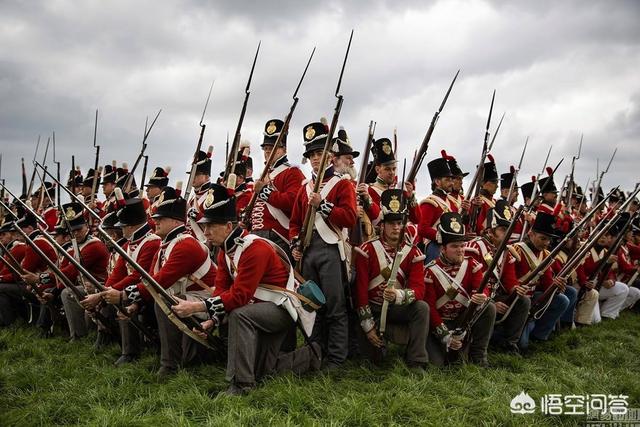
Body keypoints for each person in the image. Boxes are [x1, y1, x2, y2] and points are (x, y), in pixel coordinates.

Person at [172, 183, 322, 395]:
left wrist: (197, 306)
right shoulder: (226, 252)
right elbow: (221, 291)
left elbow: (240, 296)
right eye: (204, 226)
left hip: (280, 309)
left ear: (228, 226)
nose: (205, 232)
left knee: (239, 315)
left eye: (211, 226)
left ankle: (240, 384)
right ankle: (310, 356)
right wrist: (211, 320)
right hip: (259, 309)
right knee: (264, 371)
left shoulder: (254, 248)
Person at [121, 185, 216, 379]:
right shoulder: (167, 244)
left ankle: (169, 365)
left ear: (174, 221)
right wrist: (135, 302)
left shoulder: (185, 245)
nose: (155, 221)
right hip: (184, 294)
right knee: (157, 300)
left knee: (165, 301)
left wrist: (124, 294)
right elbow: (150, 278)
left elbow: (159, 283)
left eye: (160, 218)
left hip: (204, 299)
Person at [290, 120, 357, 370]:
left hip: (330, 249)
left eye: (320, 154)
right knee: (311, 306)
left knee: (335, 306)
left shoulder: (341, 184)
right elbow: (295, 223)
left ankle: (337, 359)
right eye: (312, 155)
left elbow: (349, 217)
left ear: (330, 156)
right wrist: (296, 243)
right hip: (309, 252)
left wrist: (324, 205)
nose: (316, 159)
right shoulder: (303, 189)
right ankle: (315, 353)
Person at [353, 188, 429, 368]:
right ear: (382, 225)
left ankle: (416, 359)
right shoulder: (367, 250)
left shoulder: (414, 252)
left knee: (422, 308)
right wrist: (368, 326)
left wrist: (398, 295)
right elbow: (360, 291)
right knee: (371, 362)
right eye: (391, 223)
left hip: (396, 308)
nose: (396, 227)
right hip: (372, 309)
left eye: (399, 223)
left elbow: (419, 289)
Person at [424, 212, 496, 366]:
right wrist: (445, 335)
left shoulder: (472, 265)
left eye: (462, 245)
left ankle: (479, 355)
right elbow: (430, 307)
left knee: (489, 307)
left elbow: (482, 288)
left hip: (462, 320)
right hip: (440, 323)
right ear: (443, 249)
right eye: (454, 246)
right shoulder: (430, 271)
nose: (460, 250)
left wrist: (482, 296)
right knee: (437, 364)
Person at [101, 193, 161, 365]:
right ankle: (114, 340)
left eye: (124, 226)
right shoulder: (129, 244)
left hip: (146, 292)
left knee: (124, 299)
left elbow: (137, 276)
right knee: (112, 296)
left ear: (133, 225)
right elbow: (117, 273)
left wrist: (108, 293)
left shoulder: (151, 242)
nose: (122, 230)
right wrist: (104, 291)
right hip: (137, 289)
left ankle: (131, 352)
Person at [465, 199, 530, 353]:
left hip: (493, 296)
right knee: (490, 306)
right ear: (490, 231)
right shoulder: (475, 247)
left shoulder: (506, 252)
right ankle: (479, 350)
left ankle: (509, 344)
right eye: (502, 229)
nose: (507, 233)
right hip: (474, 298)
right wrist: (492, 301)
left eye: (508, 229)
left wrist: (515, 289)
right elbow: (468, 284)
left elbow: (509, 279)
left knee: (523, 300)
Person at [511, 212, 575, 350]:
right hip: (515, 298)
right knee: (522, 345)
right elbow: (508, 280)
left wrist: (556, 286)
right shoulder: (517, 250)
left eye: (548, 240)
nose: (546, 243)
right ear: (531, 234)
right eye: (543, 238)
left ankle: (539, 335)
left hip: (533, 297)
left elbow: (546, 284)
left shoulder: (546, 255)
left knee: (562, 300)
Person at [250, 119, 306, 256]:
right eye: (266, 148)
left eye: (273, 148)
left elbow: (293, 201)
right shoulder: (264, 175)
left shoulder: (292, 172)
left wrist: (264, 191)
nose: (268, 151)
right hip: (256, 234)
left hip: (277, 236)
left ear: (284, 149)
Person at [418, 154, 456, 263]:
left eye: (451, 180)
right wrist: (443, 237)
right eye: (448, 180)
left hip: (451, 245)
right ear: (438, 182)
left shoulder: (452, 202)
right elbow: (422, 229)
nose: (451, 183)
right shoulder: (430, 202)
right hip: (435, 246)